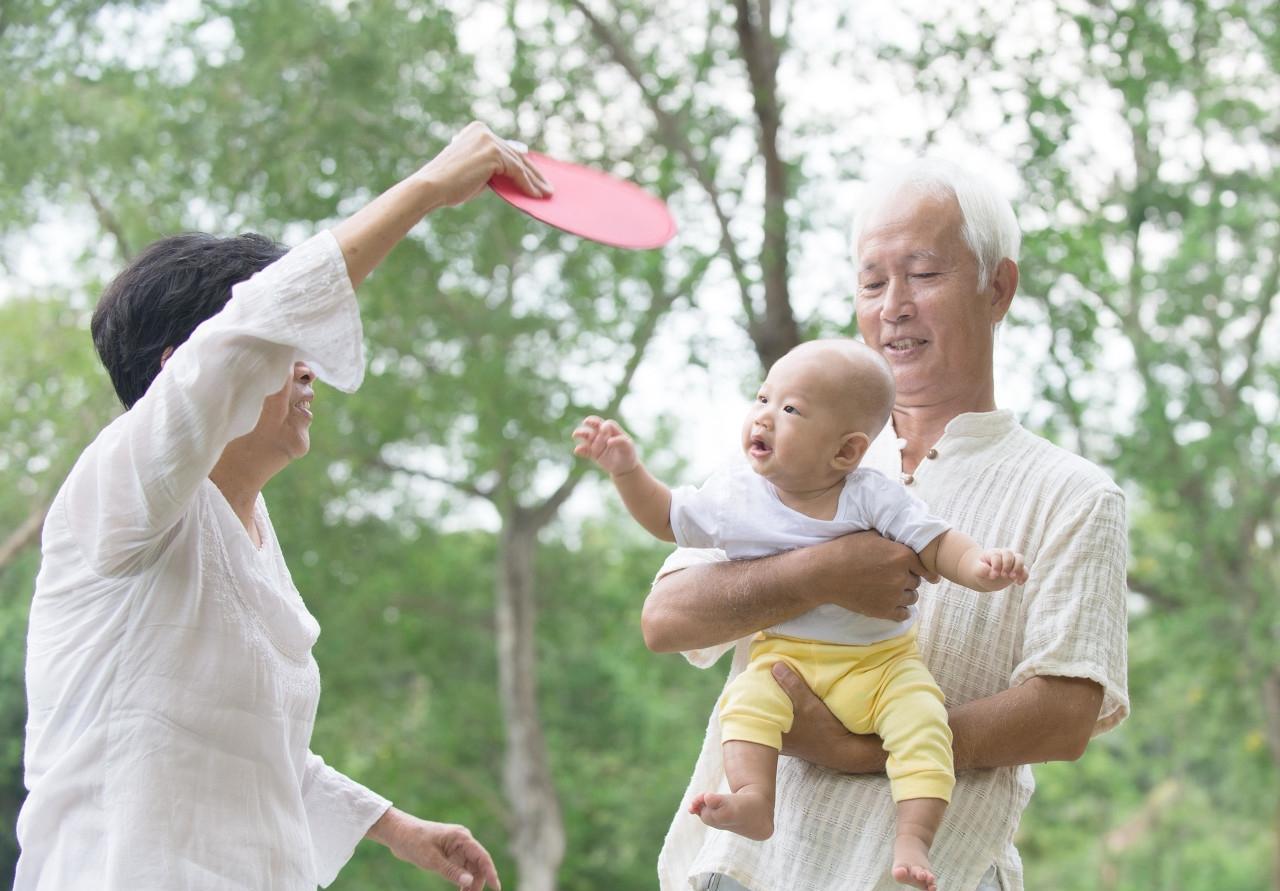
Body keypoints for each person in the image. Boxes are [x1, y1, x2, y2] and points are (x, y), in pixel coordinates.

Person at [16, 122, 552, 891]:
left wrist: (392, 826)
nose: (308, 369)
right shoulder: (116, 492)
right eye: (286, 348)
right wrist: (426, 189)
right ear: (184, 372)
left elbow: (254, 749)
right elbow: (241, 336)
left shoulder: (256, 537)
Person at [644, 159, 1129, 891]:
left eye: (923, 274)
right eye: (873, 283)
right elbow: (665, 618)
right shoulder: (788, 452)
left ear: (998, 287)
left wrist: (861, 748)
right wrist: (821, 571)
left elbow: (1067, 710)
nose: (893, 306)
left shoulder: (1073, 493)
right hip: (736, 871)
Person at [573, 338, 1028, 889]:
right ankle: (754, 799)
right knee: (745, 702)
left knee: (924, 724)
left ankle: (913, 835)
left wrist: (980, 565)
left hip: (880, 665)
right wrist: (627, 471)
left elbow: (937, 544)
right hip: (784, 660)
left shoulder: (869, 496)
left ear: (845, 452)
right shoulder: (736, 495)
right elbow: (668, 517)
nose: (764, 416)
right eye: (763, 397)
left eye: (789, 410)